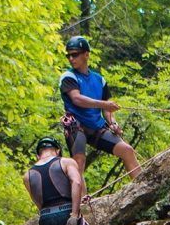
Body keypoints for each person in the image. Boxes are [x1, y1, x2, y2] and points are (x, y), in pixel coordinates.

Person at [59, 35, 140, 179]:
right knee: (79, 162)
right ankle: (82, 200)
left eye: (75, 54)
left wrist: (113, 123)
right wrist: (104, 104)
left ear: (86, 54)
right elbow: (77, 99)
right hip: (76, 126)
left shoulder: (99, 80)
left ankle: (142, 187)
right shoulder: (68, 76)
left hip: (96, 126)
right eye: (69, 56)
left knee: (127, 150)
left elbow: (107, 109)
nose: (71, 58)